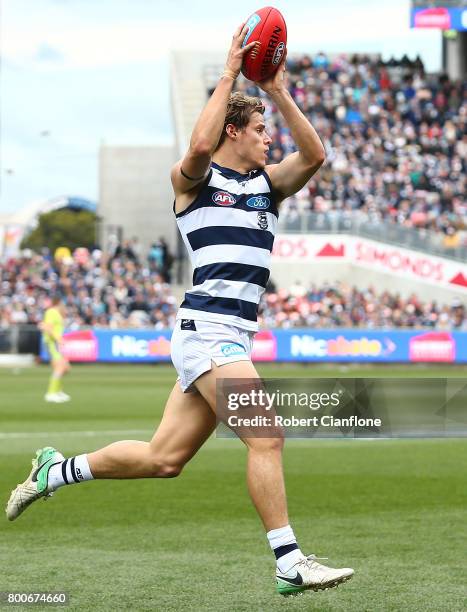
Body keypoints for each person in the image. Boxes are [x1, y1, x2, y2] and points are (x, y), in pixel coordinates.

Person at [6, 24, 353, 596]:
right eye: (261, 128)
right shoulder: (194, 181)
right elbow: (196, 148)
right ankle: (289, 562)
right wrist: (228, 74)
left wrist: (277, 91)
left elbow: (315, 154)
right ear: (233, 131)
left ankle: (55, 470)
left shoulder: (267, 185)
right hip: (208, 330)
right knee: (267, 436)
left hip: (229, 337)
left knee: (163, 459)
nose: (269, 138)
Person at [39, 296, 71, 403]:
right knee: (60, 367)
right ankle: (51, 393)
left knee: (66, 367)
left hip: (55, 342)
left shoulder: (57, 314)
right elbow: (48, 327)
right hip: (52, 342)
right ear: (59, 303)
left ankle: (57, 390)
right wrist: (58, 338)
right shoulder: (51, 312)